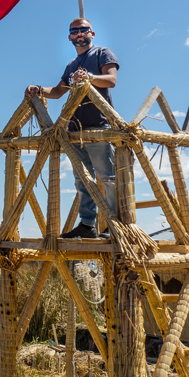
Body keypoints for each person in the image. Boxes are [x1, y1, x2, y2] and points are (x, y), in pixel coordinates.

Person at [25, 17, 119, 239]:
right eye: (74, 31)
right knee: (82, 178)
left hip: (98, 126)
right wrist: (38, 89)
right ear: (69, 37)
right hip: (75, 130)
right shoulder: (71, 65)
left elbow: (111, 80)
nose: (79, 33)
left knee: (107, 178)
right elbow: (58, 92)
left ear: (92, 33)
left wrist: (90, 77)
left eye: (83, 30)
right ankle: (88, 225)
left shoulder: (102, 54)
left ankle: (116, 225)